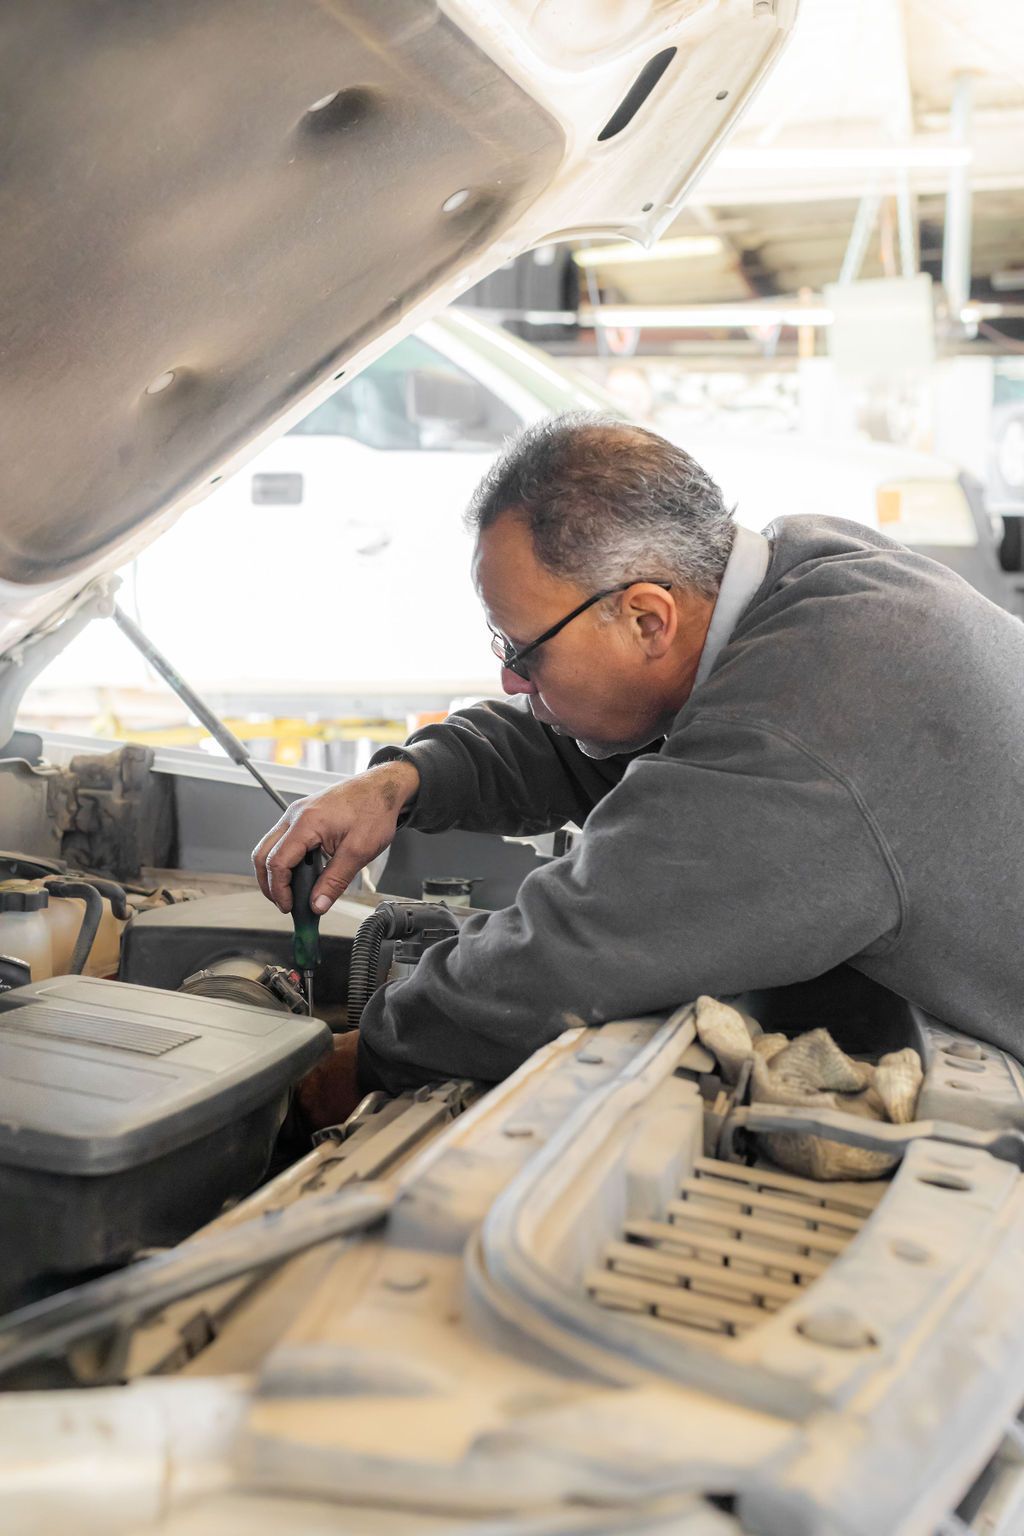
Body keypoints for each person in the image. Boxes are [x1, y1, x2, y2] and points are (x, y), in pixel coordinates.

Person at [253, 413, 1024, 1126]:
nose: (511, 683)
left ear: (649, 617)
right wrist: (405, 780)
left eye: (524, 652)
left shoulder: (813, 719)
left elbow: (576, 951)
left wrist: (365, 1059)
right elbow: (608, 737)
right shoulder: (805, 577)